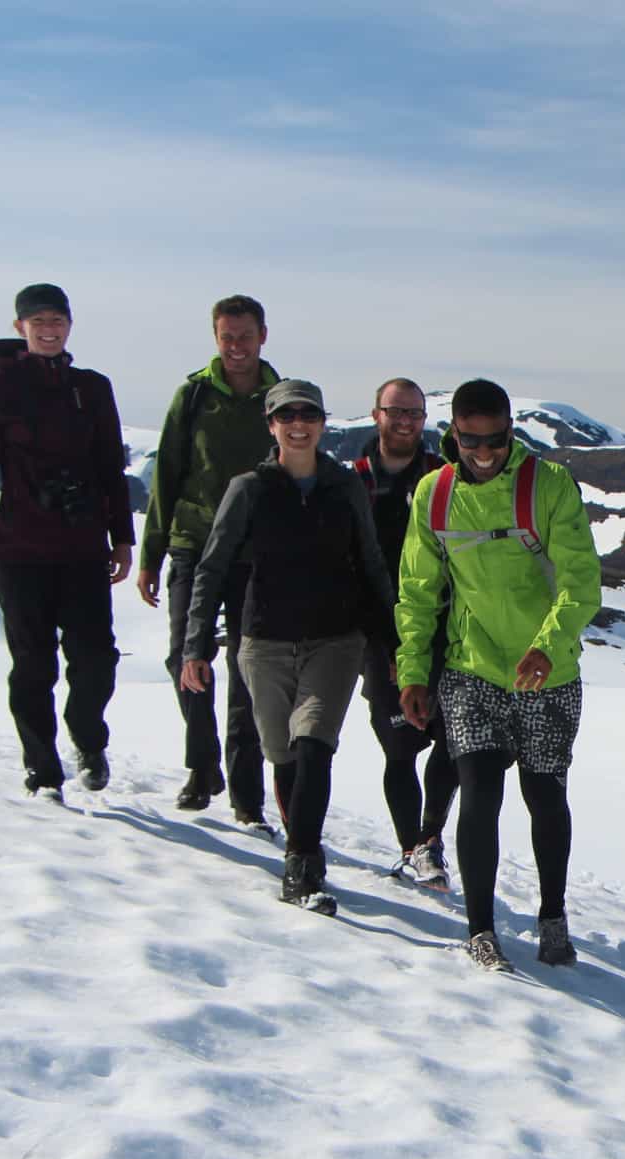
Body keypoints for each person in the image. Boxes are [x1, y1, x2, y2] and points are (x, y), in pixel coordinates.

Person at [395, 379, 603, 971]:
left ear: (511, 431)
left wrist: (546, 646)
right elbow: (417, 592)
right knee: (479, 794)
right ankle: (481, 929)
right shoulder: (433, 496)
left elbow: (581, 582)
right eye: (471, 441)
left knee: (544, 796)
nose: (484, 454)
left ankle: (552, 917)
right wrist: (413, 672)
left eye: (495, 441)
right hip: (472, 671)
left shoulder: (549, 485)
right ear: (453, 433)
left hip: (549, 674)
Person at [181, 380, 393, 914]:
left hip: (335, 640)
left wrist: (393, 644)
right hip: (264, 642)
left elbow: (370, 564)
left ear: (322, 423)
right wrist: (195, 645)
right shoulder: (249, 488)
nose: (299, 424)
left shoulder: (344, 487)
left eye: (309, 415)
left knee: (314, 745)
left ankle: (301, 864)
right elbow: (213, 566)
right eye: (287, 415)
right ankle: (303, 847)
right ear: (272, 424)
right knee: (284, 757)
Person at [0, 283, 134, 800]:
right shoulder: (0, 389)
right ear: (20, 329)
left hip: (82, 549)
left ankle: (87, 736)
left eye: (57, 321)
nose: (49, 331)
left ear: (70, 326)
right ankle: (42, 768)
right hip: (20, 551)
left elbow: (110, 469)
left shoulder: (92, 388)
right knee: (33, 665)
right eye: (39, 323)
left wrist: (122, 538)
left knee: (96, 658)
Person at [137, 295, 280, 824]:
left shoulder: (278, 397)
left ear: (263, 335)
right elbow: (167, 475)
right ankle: (202, 767)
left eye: (245, 335)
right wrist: (152, 553)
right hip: (193, 544)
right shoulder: (194, 395)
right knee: (184, 656)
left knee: (248, 669)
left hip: (254, 551)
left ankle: (247, 795)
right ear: (215, 338)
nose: (237, 346)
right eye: (227, 336)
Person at [349, 378, 458, 887]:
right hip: (378, 633)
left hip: (443, 632)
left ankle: (429, 840)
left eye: (415, 413)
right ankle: (411, 845)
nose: (406, 421)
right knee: (398, 746)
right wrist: (387, 643)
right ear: (377, 415)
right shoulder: (355, 481)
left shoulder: (443, 477)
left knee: (453, 740)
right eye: (396, 411)